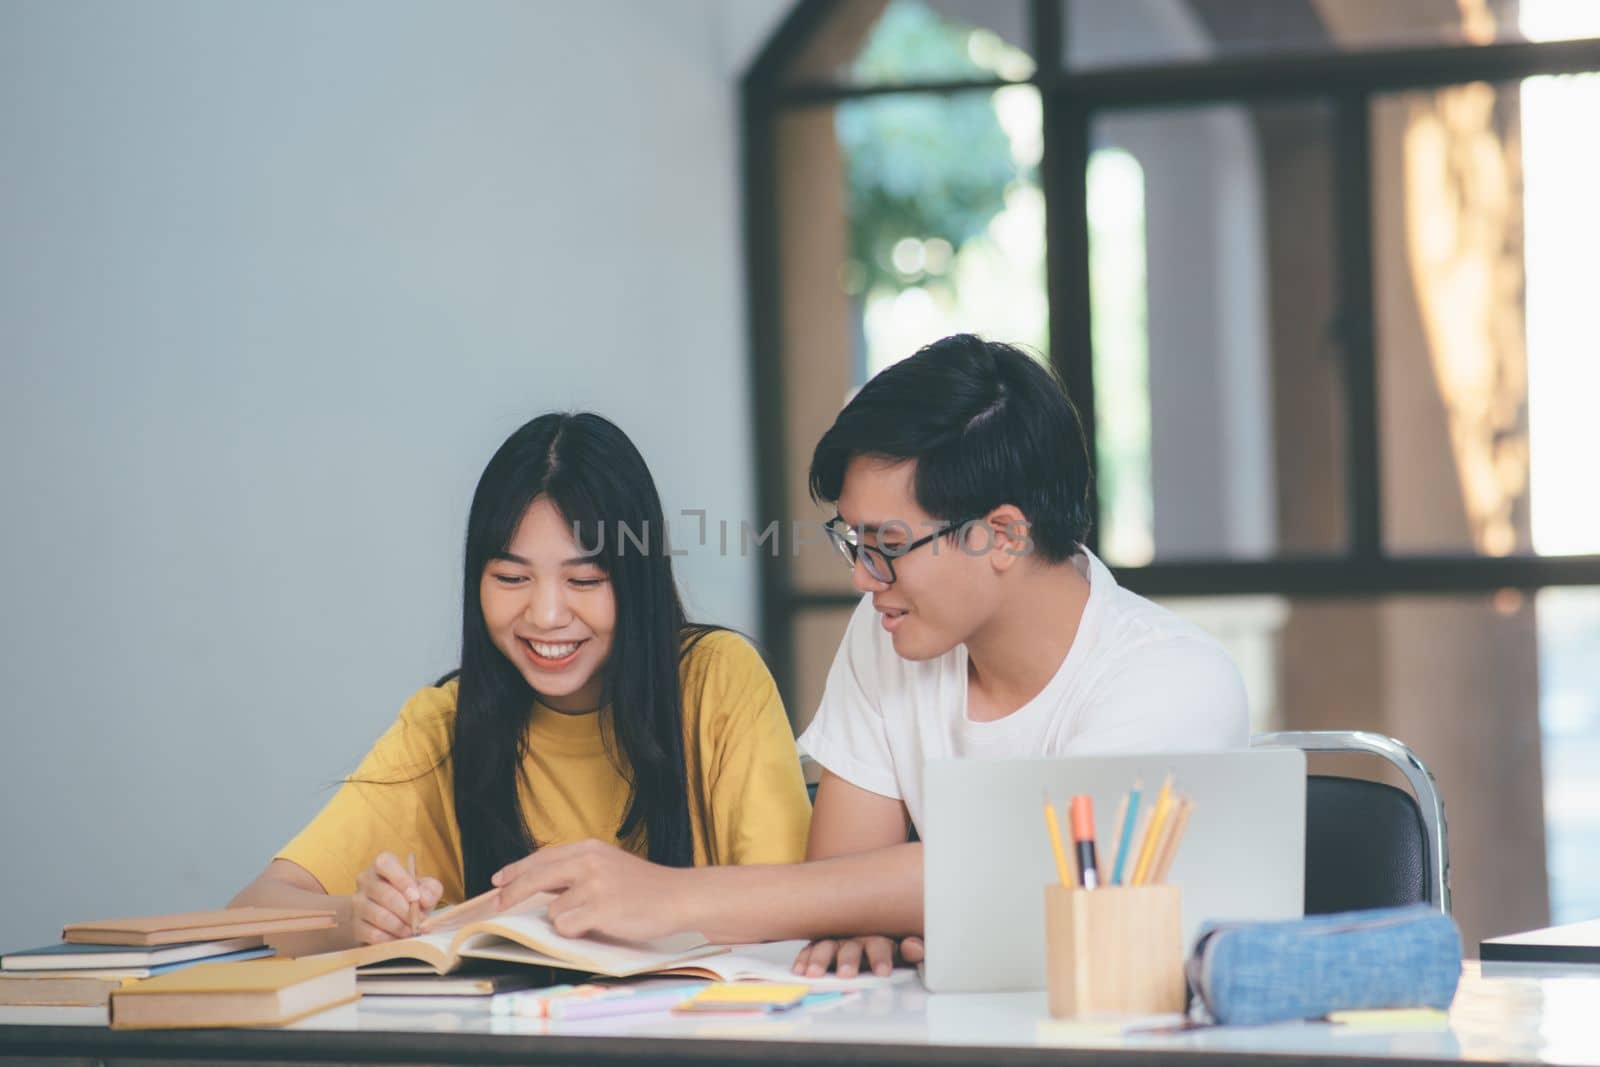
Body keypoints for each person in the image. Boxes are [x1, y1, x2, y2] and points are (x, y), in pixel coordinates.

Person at [458, 335, 1248, 976]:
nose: (862, 578)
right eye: (852, 540)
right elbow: (837, 892)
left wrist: (669, 897)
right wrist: (897, 905)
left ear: (1002, 533)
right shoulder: (891, 634)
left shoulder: (1170, 677)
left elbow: (1030, 874)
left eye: (888, 547)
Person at [231, 412, 811, 951]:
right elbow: (251, 912)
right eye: (511, 577)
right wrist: (357, 917)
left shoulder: (716, 678)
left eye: (584, 580)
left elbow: (797, 904)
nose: (546, 614)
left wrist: (652, 893)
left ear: (638, 581)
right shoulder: (443, 724)